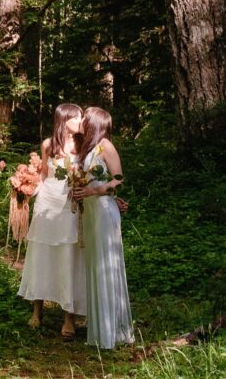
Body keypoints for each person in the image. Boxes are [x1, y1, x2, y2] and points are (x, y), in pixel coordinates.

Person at [18, 103, 86, 339]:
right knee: (42, 253)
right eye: (77, 117)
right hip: (48, 203)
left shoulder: (84, 144)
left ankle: (69, 316)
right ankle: (37, 309)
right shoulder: (48, 145)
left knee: (69, 254)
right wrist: (25, 186)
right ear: (64, 119)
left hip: (71, 204)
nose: (81, 120)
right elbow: (44, 176)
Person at [72, 106, 134, 350]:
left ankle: (112, 331)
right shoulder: (89, 148)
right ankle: (98, 329)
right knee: (94, 265)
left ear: (95, 122)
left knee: (105, 265)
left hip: (104, 212)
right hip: (91, 212)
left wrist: (94, 191)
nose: (82, 119)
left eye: (86, 116)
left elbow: (118, 179)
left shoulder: (106, 145)